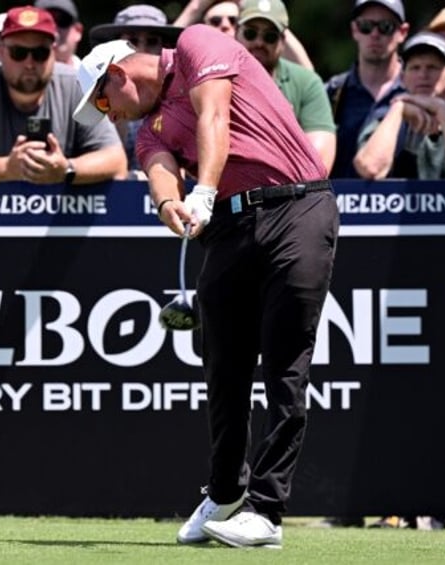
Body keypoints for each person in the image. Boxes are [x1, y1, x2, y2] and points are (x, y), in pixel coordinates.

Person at [73, 25, 338, 548]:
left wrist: (207, 190)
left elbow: (213, 114)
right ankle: (223, 494)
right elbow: (159, 169)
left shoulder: (198, 44)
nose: (109, 114)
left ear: (120, 72)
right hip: (228, 228)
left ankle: (266, 511)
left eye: (103, 98)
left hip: (297, 206)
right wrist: (171, 203)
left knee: (285, 364)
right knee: (223, 365)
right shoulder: (145, 127)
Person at [0, 6, 127, 185]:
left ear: (53, 52)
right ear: (2, 51)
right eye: (18, 52)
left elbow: (116, 160)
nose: (29, 63)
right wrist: (6, 168)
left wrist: (65, 169)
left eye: (40, 53)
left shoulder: (77, 85)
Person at [353, 31, 445, 181]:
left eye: (433, 67)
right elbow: (371, 168)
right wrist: (398, 108)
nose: (423, 75)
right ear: (402, 78)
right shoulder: (383, 122)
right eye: (415, 68)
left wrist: (442, 110)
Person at [237, 0, 336, 172]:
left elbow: (319, 163)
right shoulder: (216, 78)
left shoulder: (307, 82)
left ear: (283, 41)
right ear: (236, 33)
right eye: (251, 33)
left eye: (270, 36)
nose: (259, 42)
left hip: (288, 193)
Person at [88, 4, 182, 175]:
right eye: (131, 42)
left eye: (152, 41)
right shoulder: (96, 96)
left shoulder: (184, 92)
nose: (141, 49)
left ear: (165, 47)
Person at [325, 0, 409, 178]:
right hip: (341, 204)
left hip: (407, 204)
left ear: (403, 32)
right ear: (354, 30)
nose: (375, 34)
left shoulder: (417, 92)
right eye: (366, 26)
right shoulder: (333, 93)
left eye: (385, 26)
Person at [174, 0, 314, 70]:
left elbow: (308, 74)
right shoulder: (190, 67)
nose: (224, 25)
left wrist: (271, 16)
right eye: (215, 21)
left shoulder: (261, 64)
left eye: (233, 20)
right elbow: (160, 61)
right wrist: (195, 7)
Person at [34, 0, 82, 69]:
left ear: (78, 31)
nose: (54, 27)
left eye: (63, 21)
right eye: (45, 22)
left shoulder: (93, 76)